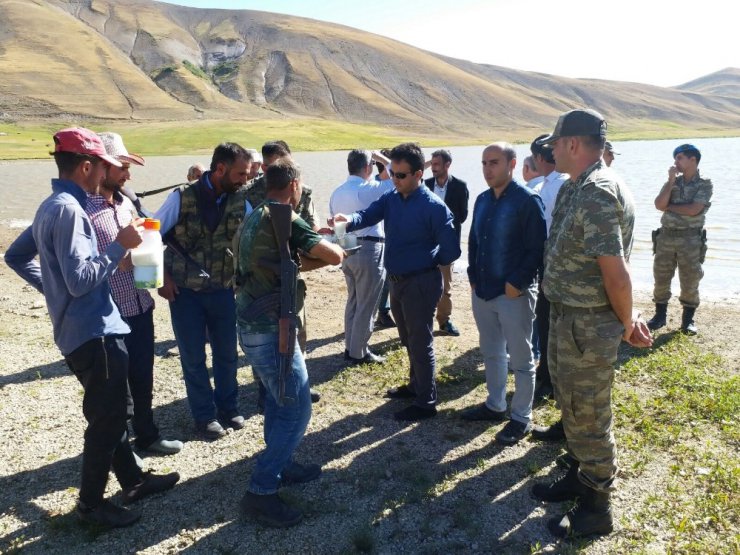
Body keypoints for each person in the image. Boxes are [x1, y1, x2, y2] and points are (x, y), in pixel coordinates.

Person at [4, 128, 179, 528]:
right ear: (87, 166)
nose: (108, 172)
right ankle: (90, 505)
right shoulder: (69, 210)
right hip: (93, 331)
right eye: (103, 164)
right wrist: (119, 246)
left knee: (110, 412)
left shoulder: (53, 205)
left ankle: (132, 482)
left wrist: (54, 291)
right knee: (110, 417)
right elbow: (81, 279)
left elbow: (16, 255)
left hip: (83, 329)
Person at [529, 109, 652, 538]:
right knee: (570, 403)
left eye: (556, 144)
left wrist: (626, 319)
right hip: (566, 317)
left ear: (574, 145)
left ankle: (597, 506)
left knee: (589, 413)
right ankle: (579, 474)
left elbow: (614, 271)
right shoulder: (575, 187)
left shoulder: (598, 191)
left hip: (588, 323)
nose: (552, 151)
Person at [235, 159, 345, 527]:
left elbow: (283, 263)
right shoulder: (283, 215)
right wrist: (337, 247)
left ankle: (283, 463)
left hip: (254, 324)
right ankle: (261, 490)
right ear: (295, 185)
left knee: (280, 400)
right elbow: (331, 255)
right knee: (297, 409)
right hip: (272, 330)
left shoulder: (255, 215)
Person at [334, 143, 461, 421]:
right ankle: (415, 385)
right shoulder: (392, 198)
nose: (395, 179)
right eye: (393, 173)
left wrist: (424, 259)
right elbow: (366, 216)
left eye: (401, 175)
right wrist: (347, 220)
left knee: (420, 341)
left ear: (418, 174)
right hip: (397, 282)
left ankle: (426, 402)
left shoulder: (434, 208)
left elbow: (451, 251)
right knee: (408, 339)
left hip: (420, 282)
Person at [90, 132, 183, 455]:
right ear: (101, 166)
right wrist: (122, 260)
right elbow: (82, 268)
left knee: (143, 378)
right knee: (116, 389)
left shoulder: (124, 202)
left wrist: (154, 272)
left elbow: (143, 243)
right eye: (122, 168)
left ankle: (147, 435)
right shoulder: (83, 212)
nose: (128, 175)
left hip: (140, 305)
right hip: (110, 315)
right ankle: (120, 453)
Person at [155, 143, 253, 440]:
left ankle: (229, 408)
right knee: (193, 357)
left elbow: (251, 238)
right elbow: (149, 235)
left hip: (223, 291)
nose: (245, 179)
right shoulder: (181, 197)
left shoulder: (241, 200)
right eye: (240, 173)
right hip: (185, 294)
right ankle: (204, 416)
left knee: (227, 354)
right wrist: (159, 279)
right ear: (220, 169)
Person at [461, 143, 546, 446]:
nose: (487, 169)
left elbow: (537, 248)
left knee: (521, 359)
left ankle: (521, 417)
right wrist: (472, 276)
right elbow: (473, 241)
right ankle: (495, 405)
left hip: (513, 295)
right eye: (484, 163)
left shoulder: (527, 200)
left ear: (511, 164)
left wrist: (518, 283)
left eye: (494, 163)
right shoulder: (483, 199)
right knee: (492, 351)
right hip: (482, 290)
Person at [329, 150, 393, 365]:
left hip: (347, 248)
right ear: (368, 167)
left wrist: (345, 248)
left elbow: (336, 227)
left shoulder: (337, 192)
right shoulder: (370, 188)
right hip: (369, 248)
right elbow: (397, 174)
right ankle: (359, 352)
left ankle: (351, 346)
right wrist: (382, 158)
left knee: (354, 300)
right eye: (373, 165)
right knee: (367, 303)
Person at [646, 144, 712, 335]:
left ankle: (688, 320)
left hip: (690, 239)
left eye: (680, 158)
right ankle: (659, 316)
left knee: (690, 279)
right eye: (675, 159)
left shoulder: (705, 183)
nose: (676, 162)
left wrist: (670, 207)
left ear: (693, 160)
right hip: (666, 236)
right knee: (661, 277)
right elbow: (659, 204)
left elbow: (694, 209)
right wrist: (670, 181)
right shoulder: (672, 182)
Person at [529, 134, 569, 409]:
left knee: (547, 319)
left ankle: (549, 378)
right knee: (544, 319)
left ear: (539, 159)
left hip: (552, 260)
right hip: (549, 259)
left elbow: (546, 227)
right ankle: (546, 374)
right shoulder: (548, 184)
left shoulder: (557, 186)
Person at [424, 149, 469, 337]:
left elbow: (463, 216)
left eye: (436, 164)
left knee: (445, 286)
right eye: (431, 164)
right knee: (423, 285)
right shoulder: (425, 184)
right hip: (425, 244)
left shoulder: (459, 186)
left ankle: (444, 321)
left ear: (447, 165)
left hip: (446, 244)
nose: (433, 168)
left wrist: (442, 221)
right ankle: (423, 321)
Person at [372, 149, 396, 330]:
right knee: (385, 278)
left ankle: (384, 312)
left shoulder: (376, 182)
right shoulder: (382, 185)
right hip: (383, 238)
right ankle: (383, 312)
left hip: (388, 236)